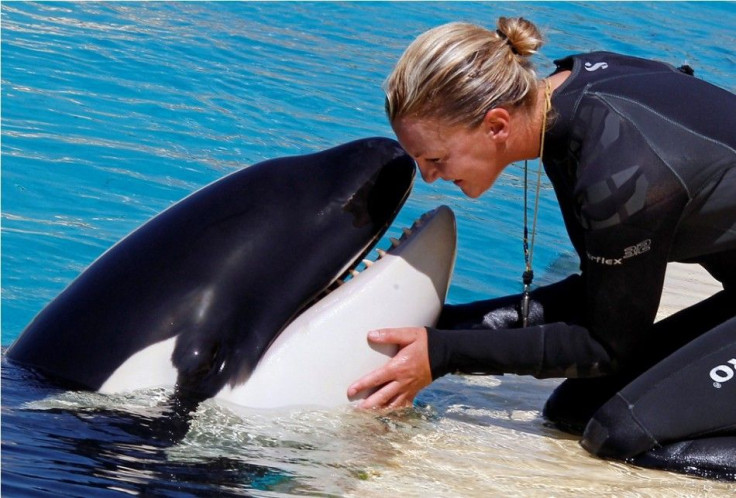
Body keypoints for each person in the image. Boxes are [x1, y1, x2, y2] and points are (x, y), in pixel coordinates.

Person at [347, 17, 736, 477]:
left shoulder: (620, 173)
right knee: (573, 408)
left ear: (495, 124)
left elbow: (604, 347)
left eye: (436, 159)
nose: (430, 177)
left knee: (620, 432)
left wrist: (445, 353)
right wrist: (440, 325)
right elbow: (598, 300)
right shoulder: (567, 102)